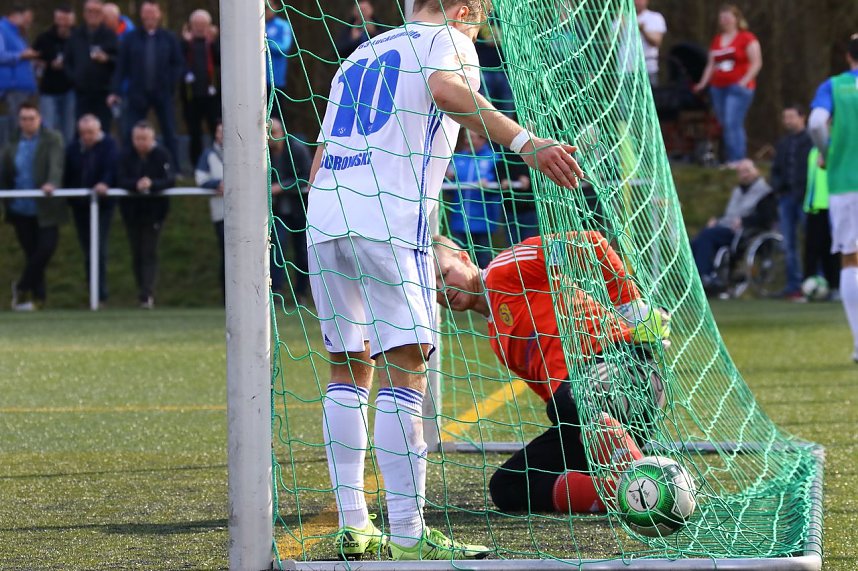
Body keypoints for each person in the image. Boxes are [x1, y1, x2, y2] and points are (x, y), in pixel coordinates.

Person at [306, 0, 582, 561]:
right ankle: (408, 533)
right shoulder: (448, 38)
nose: (480, 25)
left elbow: (321, 153)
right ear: (464, 7)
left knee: (348, 367)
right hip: (388, 218)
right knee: (406, 368)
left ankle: (355, 525)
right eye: (480, 13)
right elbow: (446, 91)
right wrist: (528, 144)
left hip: (326, 218)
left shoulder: (360, 53)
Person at [432, 231, 670, 514]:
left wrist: (631, 306)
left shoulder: (503, 268)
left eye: (444, 274)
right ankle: (623, 495)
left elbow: (590, 243)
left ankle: (647, 489)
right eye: (431, 287)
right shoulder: (498, 340)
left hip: (625, 370)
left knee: (569, 401)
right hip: (591, 415)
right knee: (508, 485)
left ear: (464, 258)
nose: (441, 289)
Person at [809, 34, 858, 362]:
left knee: (851, 258)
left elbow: (815, 124)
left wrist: (828, 153)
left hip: (846, 180)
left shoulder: (835, 86)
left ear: (847, 56)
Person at [1, 102, 66, 310]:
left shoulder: (52, 139)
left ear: (39, 119)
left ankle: (21, 287)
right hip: (21, 208)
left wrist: (52, 183)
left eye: (31, 118)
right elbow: (7, 172)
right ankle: (39, 298)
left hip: (46, 207)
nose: (27, 122)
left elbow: (56, 164)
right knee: (31, 253)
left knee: (45, 249)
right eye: (23, 119)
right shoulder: (12, 143)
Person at [109, 1, 182, 167]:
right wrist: (115, 91)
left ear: (159, 14)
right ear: (142, 15)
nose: (150, 16)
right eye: (146, 13)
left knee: (169, 131)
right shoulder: (130, 38)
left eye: (153, 13)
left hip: (163, 93)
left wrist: (170, 84)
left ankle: (174, 168)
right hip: (137, 93)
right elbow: (121, 67)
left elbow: (178, 64)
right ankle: (129, 166)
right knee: (131, 132)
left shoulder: (169, 38)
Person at [690, 159, 776, 293]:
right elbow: (730, 214)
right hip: (726, 227)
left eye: (747, 171)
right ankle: (692, 279)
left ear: (756, 171)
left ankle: (705, 275)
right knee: (696, 242)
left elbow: (766, 218)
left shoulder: (765, 193)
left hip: (743, 232)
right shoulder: (738, 191)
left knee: (707, 236)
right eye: (741, 172)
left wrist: (744, 221)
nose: (744, 175)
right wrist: (717, 220)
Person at [693, 4, 762, 166]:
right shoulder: (717, 40)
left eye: (727, 16)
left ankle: (738, 159)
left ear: (736, 19)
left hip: (738, 88)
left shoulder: (747, 38)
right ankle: (732, 158)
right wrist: (702, 84)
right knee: (724, 124)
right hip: (718, 88)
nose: (724, 20)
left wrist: (744, 81)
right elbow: (711, 65)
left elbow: (756, 62)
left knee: (733, 122)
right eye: (721, 17)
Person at [117, 121, 175, 309]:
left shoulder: (162, 155)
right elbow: (119, 179)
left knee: (148, 252)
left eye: (144, 138)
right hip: (132, 212)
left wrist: (152, 184)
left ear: (152, 139)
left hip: (154, 213)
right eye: (137, 138)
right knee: (136, 253)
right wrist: (136, 184)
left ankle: (147, 294)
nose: (140, 142)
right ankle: (142, 292)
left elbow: (169, 180)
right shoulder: (125, 155)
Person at [64, 114, 118, 305]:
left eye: (90, 132)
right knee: (88, 250)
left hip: (102, 206)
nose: (86, 136)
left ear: (99, 130)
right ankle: (93, 293)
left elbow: (112, 169)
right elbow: (68, 173)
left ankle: (100, 295)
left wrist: (105, 183)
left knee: (99, 249)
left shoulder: (110, 146)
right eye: (83, 133)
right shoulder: (73, 148)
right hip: (80, 206)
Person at [770, 105, 813, 301]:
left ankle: (814, 281)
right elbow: (776, 169)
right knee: (789, 244)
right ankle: (793, 285)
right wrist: (779, 187)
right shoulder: (783, 143)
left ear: (802, 117)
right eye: (784, 117)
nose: (787, 121)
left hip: (806, 198)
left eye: (791, 117)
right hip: (787, 198)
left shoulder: (812, 140)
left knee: (812, 241)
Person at [269, 118, 312, 302]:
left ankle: (301, 292)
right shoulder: (265, 153)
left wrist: (283, 186)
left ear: (282, 132)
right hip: (278, 210)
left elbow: (308, 176)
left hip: (300, 208)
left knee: (303, 251)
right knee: (276, 249)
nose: (270, 138)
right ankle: (276, 291)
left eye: (274, 133)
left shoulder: (297, 148)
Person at [445, 129, 500, 267]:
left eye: (472, 137)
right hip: (459, 220)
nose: (467, 140)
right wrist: (448, 178)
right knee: (458, 261)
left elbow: (501, 182)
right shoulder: (458, 159)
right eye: (466, 137)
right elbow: (448, 187)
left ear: (483, 139)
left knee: (483, 260)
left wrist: (488, 181)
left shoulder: (494, 158)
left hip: (483, 221)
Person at [64, 0, 118, 132]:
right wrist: (74, 78)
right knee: (80, 131)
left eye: (97, 11)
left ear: (102, 14)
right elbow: (67, 61)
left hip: (103, 93)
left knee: (102, 132)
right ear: (84, 13)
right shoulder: (75, 35)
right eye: (89, 11)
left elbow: (120, 62)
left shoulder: (110, 35)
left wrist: (107, 59)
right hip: (81, 93)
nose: (93, 15)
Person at [181, 9, 220, 167]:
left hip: (212, 96)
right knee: (194, 133)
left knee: (216, 131)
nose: (200, 28)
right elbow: (178, 63)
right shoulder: (184, 44)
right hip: (191, 97)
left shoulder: (213, 44)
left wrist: (214, 41)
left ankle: (218, 164)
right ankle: (196, 165)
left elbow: (220, 60)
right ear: (190, 26)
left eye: (203, 25)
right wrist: (185, 42)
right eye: (196, 24)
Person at [32, 6, 76, 143]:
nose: (63, 24)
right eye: (60, 19)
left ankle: (67, 161)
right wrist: (45, 64)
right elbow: (34, 59)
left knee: (69, 130)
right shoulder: (44, 37)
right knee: (48, 130)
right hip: (49, 90)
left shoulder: (78, 37)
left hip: (71, 89)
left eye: (66, 20)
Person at [803, 147, 840, 301]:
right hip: (813, 207)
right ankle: (808, 287)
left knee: (831, 250)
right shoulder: (812, 151)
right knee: (811, 250)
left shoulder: (833, 149)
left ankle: (835, 287)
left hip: (830, 206)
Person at [195, 120, 224, 296]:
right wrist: (217, 184)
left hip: (245, 213)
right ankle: (226, 297)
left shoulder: (243, 152)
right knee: (227, 255)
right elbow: (200, 179)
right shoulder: (208, 154)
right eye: (220, 131)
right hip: (220, 213)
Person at [0, 5, 38, 121]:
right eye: (27, 17)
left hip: (22, 87)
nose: (29, 21)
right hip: (12, 86)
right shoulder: (2, 30)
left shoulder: (18, 34)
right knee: (16, 123)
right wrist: (21, 55)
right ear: (15, 16)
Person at [265, 1, 294, 115]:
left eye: (268, 7)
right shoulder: (255, 26)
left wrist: (265, 43)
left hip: (275, 81)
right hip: (254, 81)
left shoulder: (282, 25)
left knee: (275, 118)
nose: (265, 10)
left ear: (276, 7)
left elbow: (284, 47)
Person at [634, 0, 666, 87]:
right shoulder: (622, 18)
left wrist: (643, 31)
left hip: (648, 69)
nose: (637, 2)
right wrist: (620, 27)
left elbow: (657, 42)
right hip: (625, 71)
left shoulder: (655, 17)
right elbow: (607, 44)